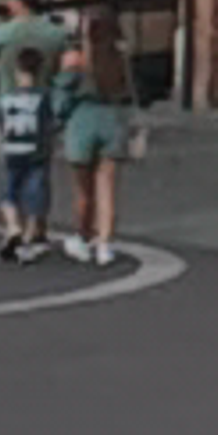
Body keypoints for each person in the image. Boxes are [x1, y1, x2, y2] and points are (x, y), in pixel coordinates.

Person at [0, 0, 66, 265]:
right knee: (39, 173)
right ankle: (36, 230)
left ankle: (13, 225)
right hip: (42, 111)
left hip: (8, 111)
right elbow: (69, 65)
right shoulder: (55, 34)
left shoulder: (5, 33)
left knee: (10, 172)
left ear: (18, 3)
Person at [55, 33, 140, 271]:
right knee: (108, 189)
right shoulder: (119, 59)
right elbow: (130, 93)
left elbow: (60, 103)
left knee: (83, 191)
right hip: (112, 121)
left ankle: (82, 238)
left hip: (82, 122)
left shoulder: (75, 60)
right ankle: (105, 245)